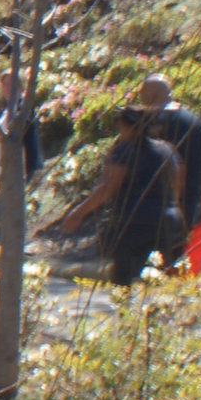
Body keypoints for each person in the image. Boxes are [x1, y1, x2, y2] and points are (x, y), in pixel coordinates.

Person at [49, 105, 186, 285]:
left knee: (124, 280)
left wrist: (78, 213)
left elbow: (106, 188)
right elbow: (178, 183)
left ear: (127, 126)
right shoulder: (167, 150)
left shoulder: (124, 151)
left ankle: (126, 307)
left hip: (134, 224)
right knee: (164, 279)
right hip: (168, 223)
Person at [137, 74, 201, 246]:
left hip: (147, 204)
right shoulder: (192, 120)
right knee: (178, 250)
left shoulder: (145, 123)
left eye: (141, 92)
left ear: (151, 94)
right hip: (186, 202)